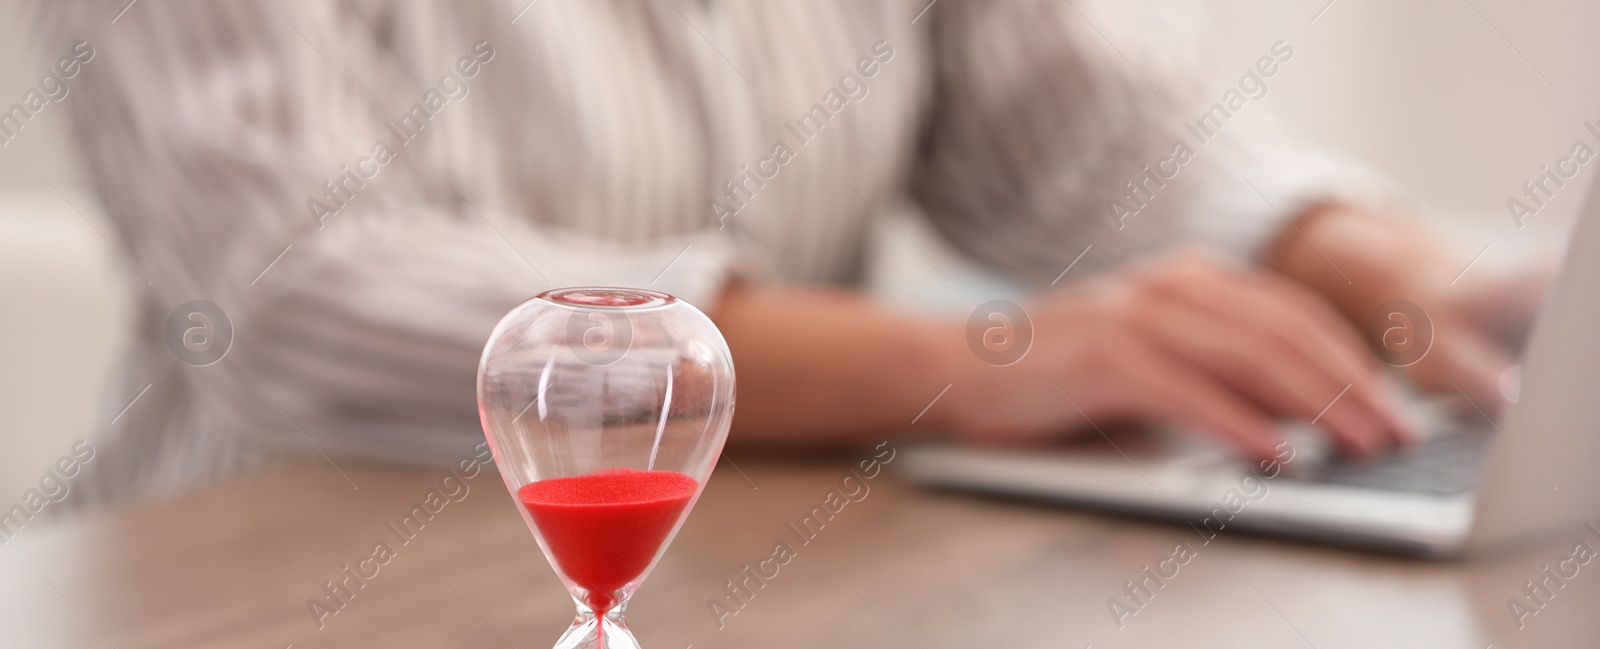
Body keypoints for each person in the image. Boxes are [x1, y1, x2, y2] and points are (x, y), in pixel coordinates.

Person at [36, 0, 1542, 505]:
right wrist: (966, 363)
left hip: (772, 600)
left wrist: (1373, 260)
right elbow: (298, 288)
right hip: (279, 641)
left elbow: (1036, 96)